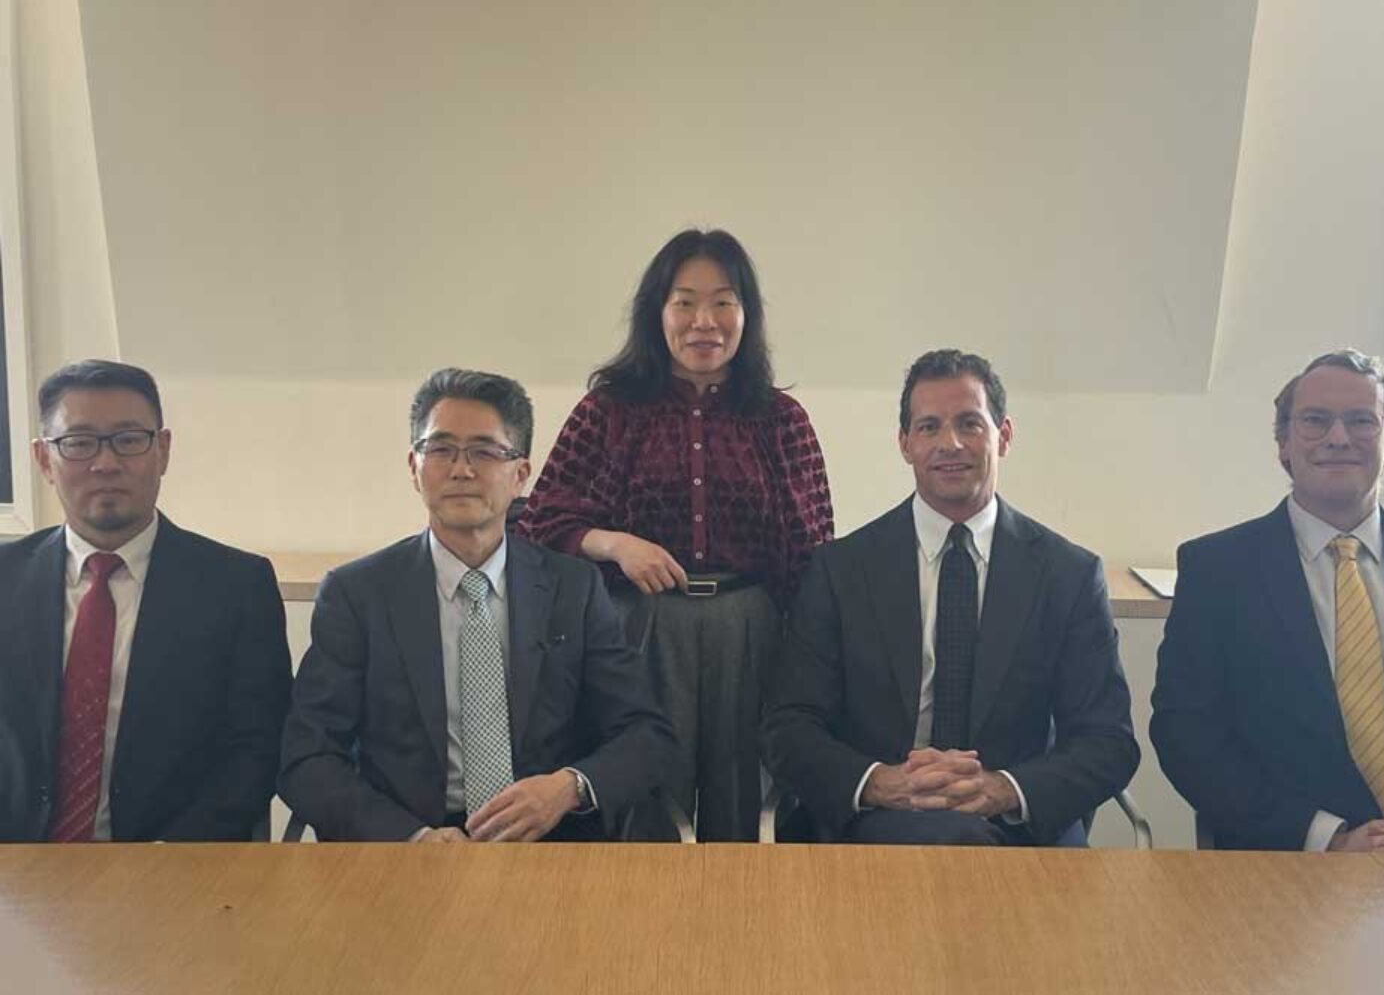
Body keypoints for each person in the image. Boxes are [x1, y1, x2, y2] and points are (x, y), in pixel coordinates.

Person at [519, 228, 834, 841]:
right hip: (639, 624)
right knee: (640, 798)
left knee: (741, 808)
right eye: (684, 301)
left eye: (723, 302)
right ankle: (642, 934)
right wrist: (614, 543)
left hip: (750, 628)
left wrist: (814, 659)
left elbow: (812, 548)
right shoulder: (609, 409)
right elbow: (540, 521)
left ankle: (736, 928)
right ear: (656, 313)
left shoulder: (780, 418)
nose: (704, 321)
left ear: (747, 314)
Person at [279, 368, 677, 842]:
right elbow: (307, 759)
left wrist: (566, 789)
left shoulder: (574, 588)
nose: (461, 470)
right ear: (414, 466)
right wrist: (412, 838)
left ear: (520, 474)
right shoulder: (357, 595)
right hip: (408, 846)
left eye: (485, 452)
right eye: (441, 449)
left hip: (550, 839)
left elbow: (646, 735)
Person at [761, 349, 1138, 845]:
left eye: (970, 424)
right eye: (929, 427)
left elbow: (1107, 740)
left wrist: (1004, 789)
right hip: (879, 820)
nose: (950, 443)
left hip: (1017, 824)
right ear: (904, 443)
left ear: (1003, 436)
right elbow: (789, 727)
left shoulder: (1067, 574)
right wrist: (881, 782)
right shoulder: (841, 570)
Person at [1152, 349, 1384, 853]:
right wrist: (1329, 838)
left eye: (1362, 421)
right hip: (1297, 863)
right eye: (1316, 421)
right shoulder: (1218, 570)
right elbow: (1188, 735)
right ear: (1283, 444)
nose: (1339, 438)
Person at [0, 360, 291, 842]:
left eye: (129, 439)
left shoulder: (237, 586)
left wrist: (167, 856)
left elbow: (256, 751)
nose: (106, 463)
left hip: (170, 866)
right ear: (44, 459)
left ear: (163, 450)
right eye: (78, 442)